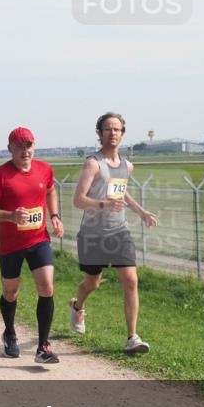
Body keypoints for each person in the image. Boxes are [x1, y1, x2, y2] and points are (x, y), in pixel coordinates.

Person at [70, 112, 158, 353]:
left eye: (117, 129)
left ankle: (132, 338)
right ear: (99, 134)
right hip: (92, 234)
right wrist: (102, 205)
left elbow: (121, 192)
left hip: (119, 231)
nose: (112, 133)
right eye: (108, 129)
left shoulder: (127, 166)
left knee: (131, 279)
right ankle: (77, 306)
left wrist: (141, 212)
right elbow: (78, 200)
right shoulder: (93, 164)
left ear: (123, 134)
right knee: (92, 283)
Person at [0, 127, 64, 364]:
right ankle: (9, 332)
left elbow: (51, 190)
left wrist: (55, 216)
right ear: (10, 149)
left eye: (28, 146)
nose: (24, 150)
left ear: (34, 147)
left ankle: (43, 347)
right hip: (10, 244)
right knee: (11, 292)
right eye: (19, 146)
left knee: (47, 286)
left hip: (39, 240)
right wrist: (11, 216)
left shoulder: (44, 169)